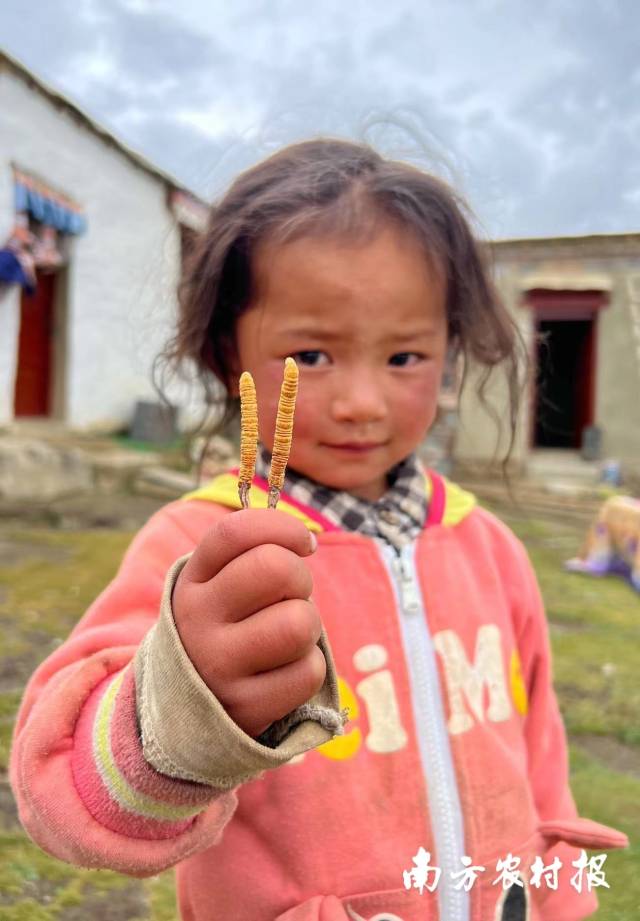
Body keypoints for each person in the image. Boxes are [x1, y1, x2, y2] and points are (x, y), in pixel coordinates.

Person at [10, 139, 627, 921]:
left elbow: (545, 772)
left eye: (405, 355)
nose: (362, 401)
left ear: (450, 351)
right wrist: (183, 701)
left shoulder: (491, 551)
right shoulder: (199, 546)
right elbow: (64, 789)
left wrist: (559, 900)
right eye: (312, 353)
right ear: (227, 348)